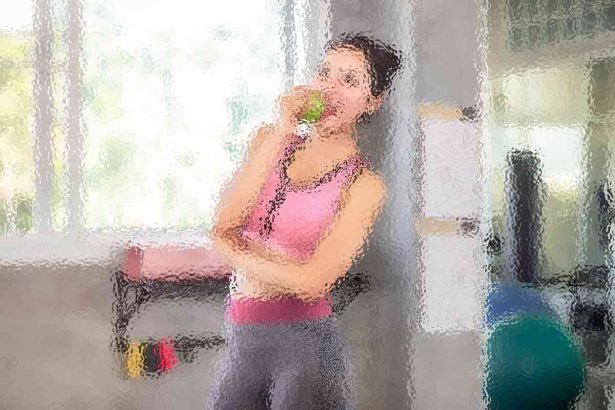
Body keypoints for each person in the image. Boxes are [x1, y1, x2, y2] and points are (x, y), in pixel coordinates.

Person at [207, 33, 401, 410]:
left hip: (306, 349)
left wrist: (235, 252)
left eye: (349, 81)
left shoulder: (364, 186)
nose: (330, 88)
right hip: (242, 338)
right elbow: (224, 223)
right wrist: (285, 126)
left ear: (372, 102)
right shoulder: (269, 140)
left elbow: (313, 282)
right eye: (324, 73)